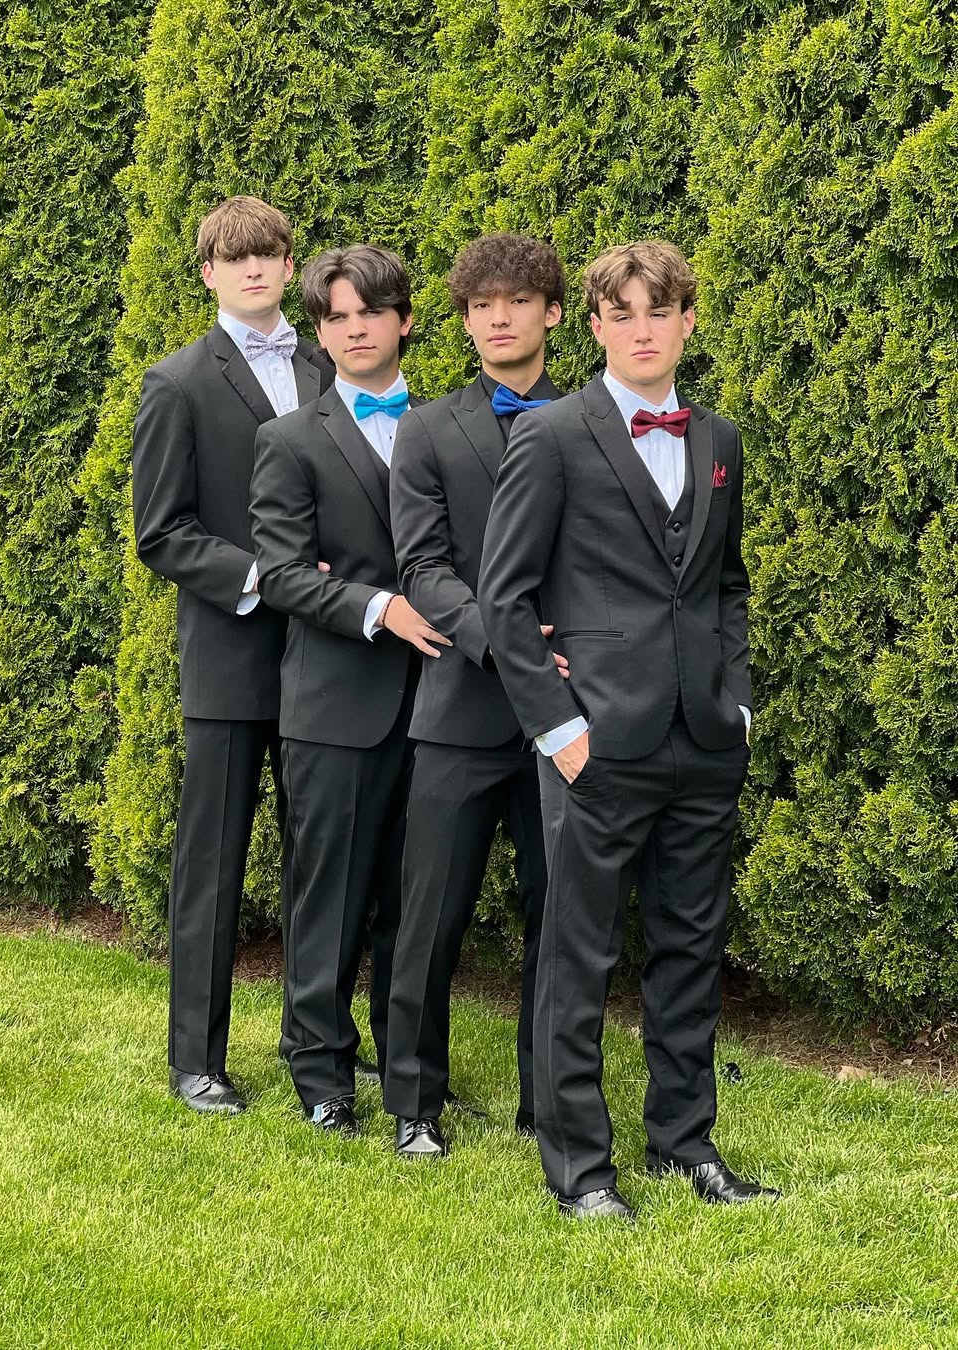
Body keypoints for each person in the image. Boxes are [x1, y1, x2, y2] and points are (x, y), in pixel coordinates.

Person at [478, 240, 780, 1219]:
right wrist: (557, 729)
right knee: (579, 956)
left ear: (688, 321)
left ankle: (686, 1144)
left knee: (691, 949)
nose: (643, 330)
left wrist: (737, 700)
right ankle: (580, 1170)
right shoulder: (553, 435)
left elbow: (725, 585)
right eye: (623, 314)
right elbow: (504, 598)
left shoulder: (720, 438)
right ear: (597, 326)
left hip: (704, 739)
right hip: (596, 742)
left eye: (661, 311)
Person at [132, 196, 333, 1115]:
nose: (254, 269)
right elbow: (162, 532)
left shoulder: (327, 364)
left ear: (290, 266)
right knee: (211, 866)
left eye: (268, 254)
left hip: (328, 658)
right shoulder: (177, 383)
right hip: (231, 656)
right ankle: (196, 1060)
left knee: (321, 859)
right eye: (234, 257)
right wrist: (270, 578)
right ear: (210, 273)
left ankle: (317, 1047)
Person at [250, 245, 447, 1135]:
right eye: (336, 317)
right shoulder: (289, 441)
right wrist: (379, 607)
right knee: (327, 902)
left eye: (371, 312)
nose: (355, 328)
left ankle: (410, 1078)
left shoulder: (447, 427)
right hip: (335, 706)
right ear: (320, 335)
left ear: (403, 321)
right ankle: (321, 1072)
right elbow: (284, 575)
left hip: (442, 704)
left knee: (416, 904)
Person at [384, 234, 569, 1158]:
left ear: (553, 314)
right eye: (481, 304)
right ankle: (414, 1104)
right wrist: (512, 643)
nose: (499, 317)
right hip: (460, 707)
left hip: (565, 716)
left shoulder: (591, 422)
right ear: (463, 320)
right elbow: (422, 567)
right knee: (430, 917)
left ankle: (550, 1101)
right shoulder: (424, 430)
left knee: (560, 917)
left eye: (518, 300)